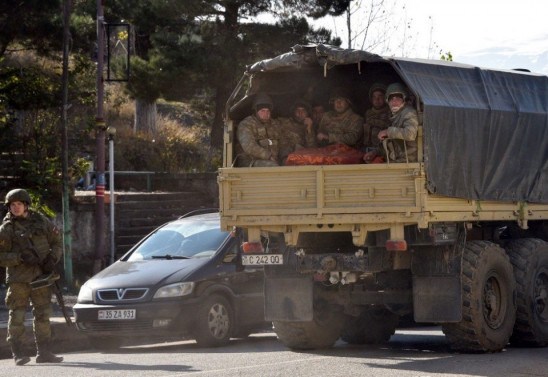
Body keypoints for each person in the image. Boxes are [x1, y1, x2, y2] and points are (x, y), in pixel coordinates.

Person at [0, 189, 63, 365]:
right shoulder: (6, 229)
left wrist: (52, 258)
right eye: (12, 205)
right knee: (17, 316)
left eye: (19, 204)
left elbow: (57, 242)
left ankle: (45, 352)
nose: (15, 208)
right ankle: (18, 353)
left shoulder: (41, 221)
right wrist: (18, 257)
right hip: (18, 280)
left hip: (41, 277)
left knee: (43, 314)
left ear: (26, 205)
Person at [363, 82, 418, 163]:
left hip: (407, 161)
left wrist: (387, 132)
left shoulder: (408, 112)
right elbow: (392, 143)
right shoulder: (395, 116)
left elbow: (411, 133)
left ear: (404, 100)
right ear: (387, 101)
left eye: (398, 98)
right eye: (391, 99)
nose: (394, 101)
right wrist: (375, 153)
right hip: (398, 160)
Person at [235, 92, 281, 167]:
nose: (266, 114)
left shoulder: (274, 125)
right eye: (262, 111)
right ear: (256, 111)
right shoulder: (246, 124)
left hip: (273, 160)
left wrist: (284, 157)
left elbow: (282, 142)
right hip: (250, 162)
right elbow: (249, 147)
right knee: (273, 166)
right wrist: (268, 156)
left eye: (268, 111)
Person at [278, 99, 317, 164]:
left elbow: (312, 147)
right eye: (297, 110)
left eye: (303, 111)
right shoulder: (284, 123)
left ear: (307, 113)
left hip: (302, 157)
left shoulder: (309, 126)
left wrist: (309, 129)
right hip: (286, 155)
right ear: (293, 112)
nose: (300, 113)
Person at [362, 82, 391, 150]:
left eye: (380, 96)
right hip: (366, 148)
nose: (377, 99)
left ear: (385, 98)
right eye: (374, 97)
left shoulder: (391, 113)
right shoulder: (367, 113)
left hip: (383, 150)